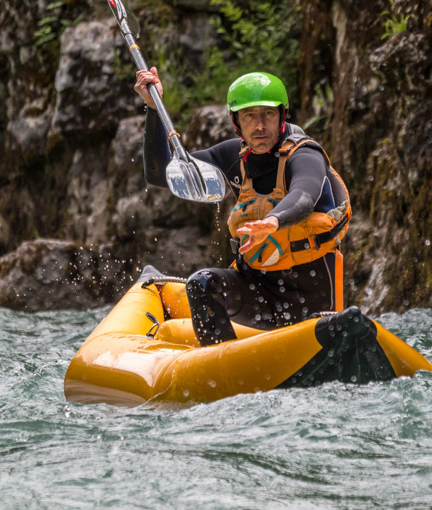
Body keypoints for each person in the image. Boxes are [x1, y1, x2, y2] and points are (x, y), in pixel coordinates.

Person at [134, 69, 351, 346]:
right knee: (202, 283)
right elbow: (159, 173)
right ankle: (219, 363)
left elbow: (304, 195)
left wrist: (273, 222)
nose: (260, 125)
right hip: (257, 290)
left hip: (311, 293)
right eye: (249, 116)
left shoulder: (306, 154)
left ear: (282, 116)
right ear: (236, 120)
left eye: (268, 114)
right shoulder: (231, 155)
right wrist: (154, 110)